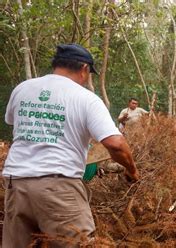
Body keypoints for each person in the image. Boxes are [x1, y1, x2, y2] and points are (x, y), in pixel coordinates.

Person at [3, 43, 140, 247]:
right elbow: (116, 144)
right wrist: (132, 171)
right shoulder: (86, 99)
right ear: (84, 69)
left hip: (16, 184)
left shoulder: (23, 89)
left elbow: (15, 123)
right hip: (58, 188)